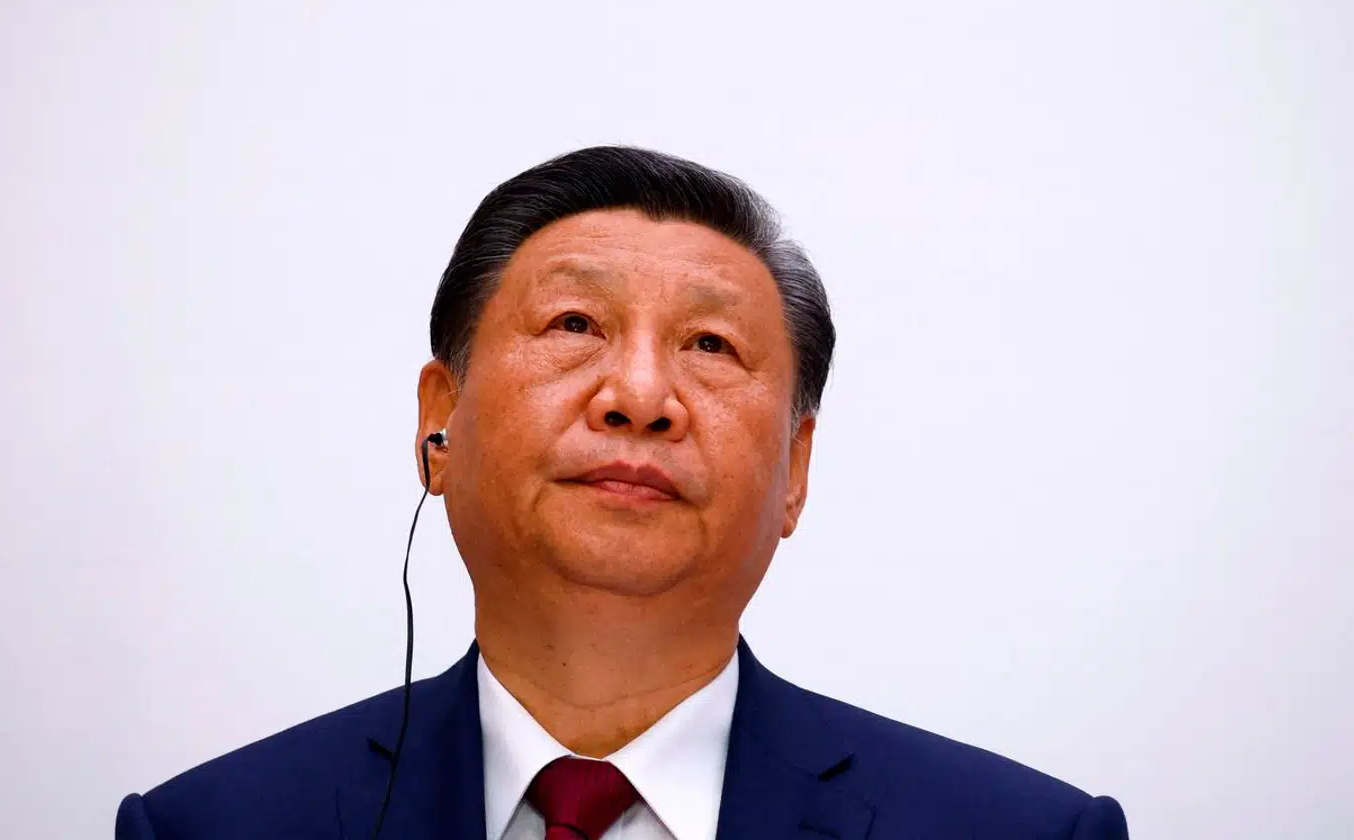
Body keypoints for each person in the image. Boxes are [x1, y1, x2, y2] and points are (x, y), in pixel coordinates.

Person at [116, 146, 1129, 839]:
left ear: (796, 471)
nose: (640, 397)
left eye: (711, 344)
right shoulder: (213, 828)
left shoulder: (1023, 833)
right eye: (574, 325)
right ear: (439, 423)